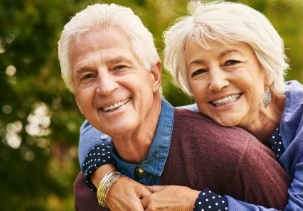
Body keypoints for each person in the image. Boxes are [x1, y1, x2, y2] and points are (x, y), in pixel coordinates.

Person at [79, 1, 303, 210]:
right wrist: (108, 180)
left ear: (267, 66)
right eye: (199, 71)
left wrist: (198, 202)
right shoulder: (204, 116)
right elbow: (96, 124)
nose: (216, 83)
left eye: (231, 62)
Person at [57, 3, 290, 211]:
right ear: (77, 97)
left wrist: (198, 203)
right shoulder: (90, 190)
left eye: (119, 66)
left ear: (154, 76)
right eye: (87, 76)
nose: (106, 88)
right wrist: (106, 180)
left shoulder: (238, 159)